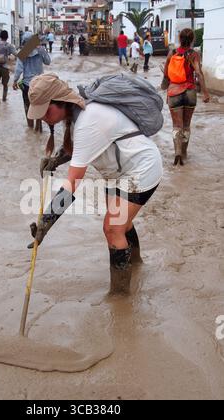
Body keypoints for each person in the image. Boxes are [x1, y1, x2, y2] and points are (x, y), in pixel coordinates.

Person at [26, 73, 163, 295]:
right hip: (118, 172)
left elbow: (72, 184)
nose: (43, 117)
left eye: (46, 111)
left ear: (60, 101)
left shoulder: (88, 121)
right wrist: (56, 160)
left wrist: (46, 222)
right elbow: (78, 148)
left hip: (140, 170)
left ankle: (120, 296)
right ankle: (136, 265)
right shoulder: (75, 114)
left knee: (112, 227)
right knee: (122, 224)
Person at [164, 28, 210, 166]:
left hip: (174, 92)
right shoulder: (194, 54)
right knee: (186, 125)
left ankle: (177, 150)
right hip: (190, 92)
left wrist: (167, 86)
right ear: (192, 40)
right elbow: (199, 73)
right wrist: (205, 92)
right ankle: (184, 153)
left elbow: (166, 72)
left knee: (176, 125)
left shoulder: (172, 53)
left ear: (179, 38)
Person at [13, 32, 51, 130]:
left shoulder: (23, 52)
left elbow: (18, 70)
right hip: (40, 84)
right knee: (38, 105)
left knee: (28, 106)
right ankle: (38, 127)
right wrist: (42, 51)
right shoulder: (40, 49)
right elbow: (48, 62)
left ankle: (30, 128)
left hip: (27, 85)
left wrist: (14, 81)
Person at [0, 30, 17, 104]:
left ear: (0, 37)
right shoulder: (9, 45)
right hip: (5, 67)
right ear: (7, 37)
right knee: (5, 84)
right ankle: (4, 98)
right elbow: (16, 54)